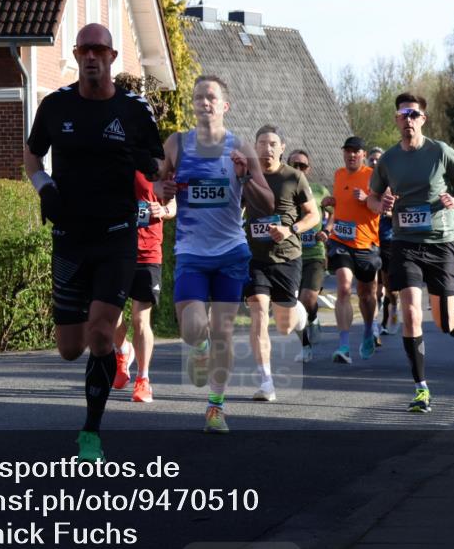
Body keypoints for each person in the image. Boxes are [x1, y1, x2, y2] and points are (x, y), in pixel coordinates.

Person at [24, 23, 163, 461]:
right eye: (84, 49)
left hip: (117, 238)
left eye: (99, 50)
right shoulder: (55, 105)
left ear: (112, 57)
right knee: (70, 349)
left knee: (101, 334)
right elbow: (32, 155)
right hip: (70, 238)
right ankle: (112, 352)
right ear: (75, 54)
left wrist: (145, 163)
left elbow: (159, 165)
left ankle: (90, 433)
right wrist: (45, 188)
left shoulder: (134, 109)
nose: (91, 57)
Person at [157, 75, 273, 433]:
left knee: (223, 331)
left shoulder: (240, 147)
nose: (204, 102)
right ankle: (200, 346)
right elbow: (157, 187)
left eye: (211, 97)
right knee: (193, 328)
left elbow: (267, 203)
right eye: (198, 97)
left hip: (230, 252)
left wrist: (245, 177)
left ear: (224, 105)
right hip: (191, 251)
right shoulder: (176, 144)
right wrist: (163, 188)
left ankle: (215, 406)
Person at [368, 92, 454, 413]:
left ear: (423, 119)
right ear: (396, 120)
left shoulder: (440, 151)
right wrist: (381, 205)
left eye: (413, 114)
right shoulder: (388, 160)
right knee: (410, 312)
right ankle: (421, 387)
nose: (408, 120)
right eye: (403, 115)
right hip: (404, 243)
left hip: (440, 241)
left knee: (446, 325)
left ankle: (453, 308)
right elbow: (372, 198)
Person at [243, 127, 318, 401]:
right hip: (255, 258)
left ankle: (300, 314)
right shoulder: (248, 177)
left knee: (285, 326)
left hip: (287, 257)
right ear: (255, 146)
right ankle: (266, 382)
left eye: (273, 143)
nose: (268, 148)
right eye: (262, 143)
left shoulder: (293, 177)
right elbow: (234, 208)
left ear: (282, 147)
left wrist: (291, 229)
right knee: (259, 313)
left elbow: (313, 215)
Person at [112, 171, 176, 402]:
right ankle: (123, 350)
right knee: (111, 316)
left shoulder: (158, 166)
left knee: (140, 319)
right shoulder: (114, 163)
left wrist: (164, 210)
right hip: (116, 252)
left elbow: (173, 204)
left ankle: (143, 379)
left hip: (148, 254)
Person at [321, 136, 382, 364]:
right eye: (348, 151)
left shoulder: (373, 175)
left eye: (356, 151)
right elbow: (341, 203)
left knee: (367, 295)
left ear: (363, 154)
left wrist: (367, 198)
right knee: (344, 288)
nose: (351, 155)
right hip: (341, 241)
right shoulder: (338, 174)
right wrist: (331, 201)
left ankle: (368, 329)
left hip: (367, 244)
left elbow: (383, 206)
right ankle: (344, 346)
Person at [287, 150, 330, 363]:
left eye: (302, 166)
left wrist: (327, 230)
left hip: (314, 254)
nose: (298, 169)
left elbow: (337, 209)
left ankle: (312, 317)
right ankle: (304, 345)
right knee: (293, 304)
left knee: (307, 299)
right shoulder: (281, 189)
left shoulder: (319, 190)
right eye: (294, 165)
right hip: (289, 254)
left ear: (308, 169)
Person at [369, 148, 399, 335]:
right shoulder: (366, 184)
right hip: (369, 240)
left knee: (390, 288)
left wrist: (386, 211)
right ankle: (374, 326)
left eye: (378, 160)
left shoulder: (393, 184)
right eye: (371, 159)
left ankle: (392, 310)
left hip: (388, 239)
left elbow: (401, 211)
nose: (374, 163)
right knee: (374, 289)